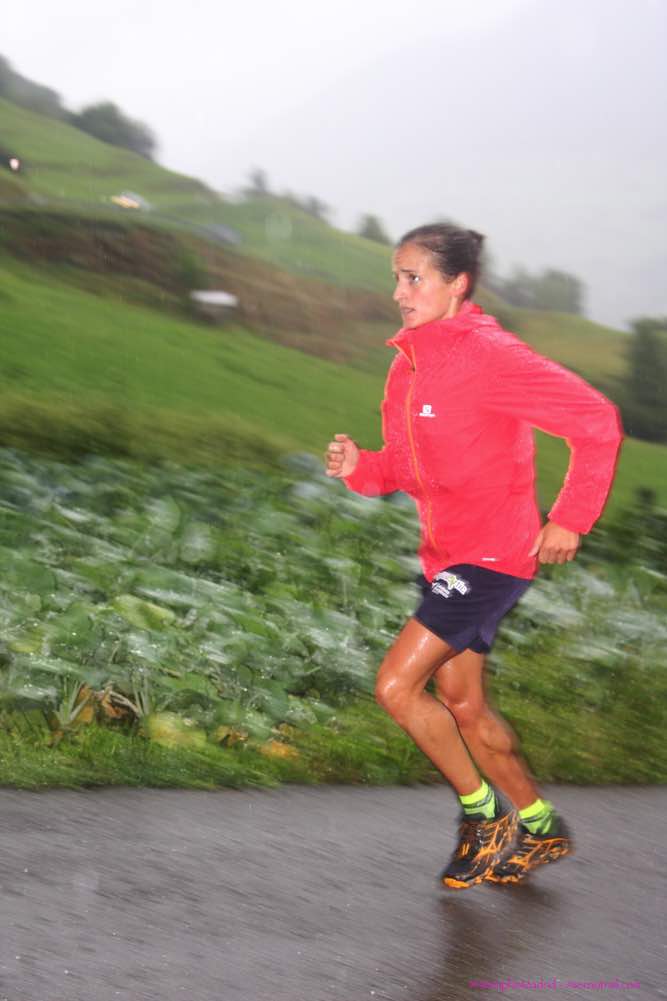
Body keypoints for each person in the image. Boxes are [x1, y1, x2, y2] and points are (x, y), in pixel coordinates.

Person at [325, 223, 623, 889]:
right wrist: (357, 466)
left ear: (457, 284)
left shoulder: (490, 355)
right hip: (445, 556)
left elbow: (596, 421)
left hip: (492, 555)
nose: (399, 292)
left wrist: (569, 517)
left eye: (414, 278)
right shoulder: (407, 366)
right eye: (396, 278)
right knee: (463, 704)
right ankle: (541, 827)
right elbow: (404, 468)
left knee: (395, 687)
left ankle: (484, 816)